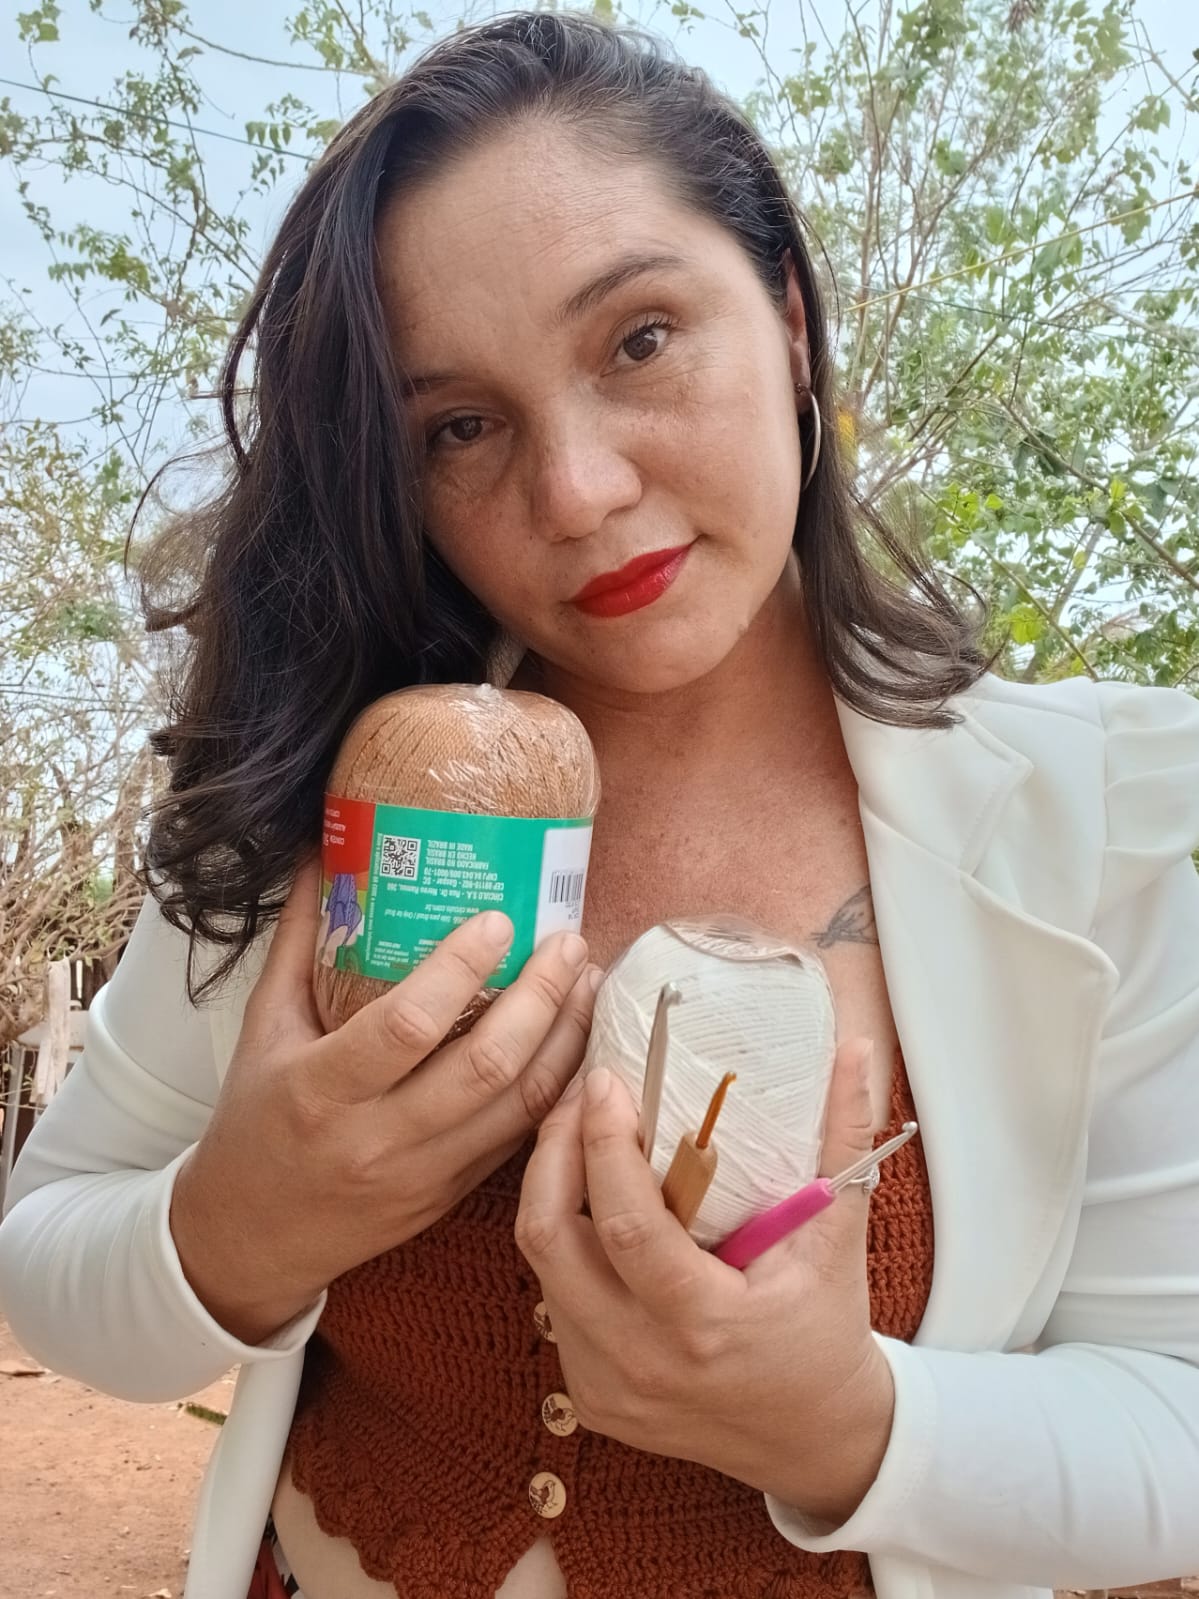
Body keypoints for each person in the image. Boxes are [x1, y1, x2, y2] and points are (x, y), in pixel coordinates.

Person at [2, 12, 1198, 1599]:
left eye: (639, 340)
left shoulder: (1099, 817)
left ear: (787, 320)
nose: (576, 491)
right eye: (460, 427)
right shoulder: (340, 794)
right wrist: (234, 1229)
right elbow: (49, 1248)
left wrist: (849, 1427)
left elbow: (1178, 1412)